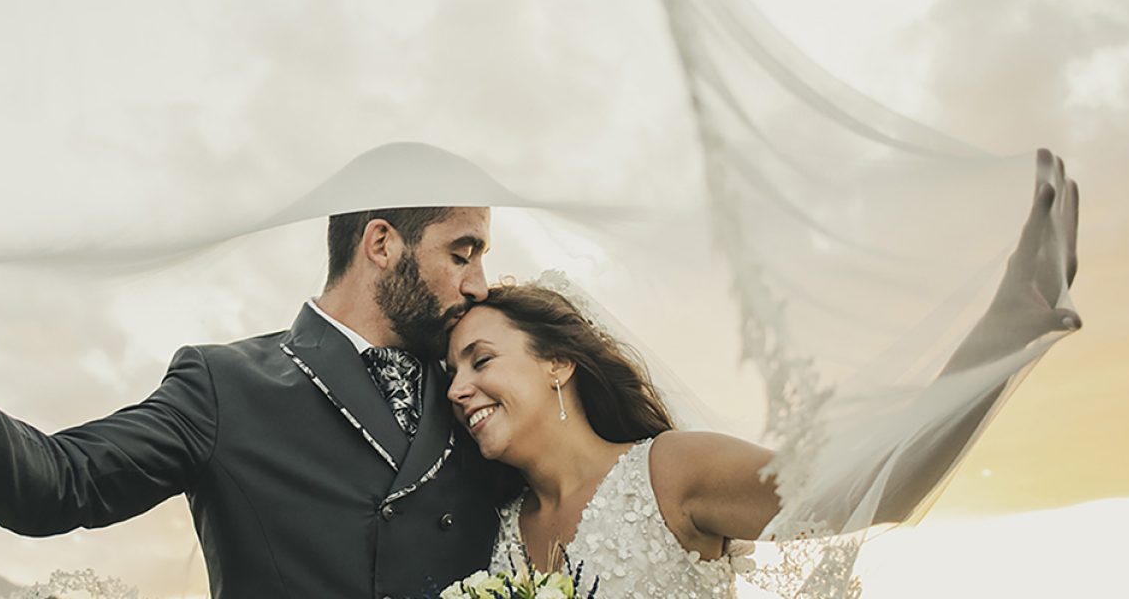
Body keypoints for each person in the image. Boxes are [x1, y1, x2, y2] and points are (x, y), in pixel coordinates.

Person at [0, 206, 518, 598]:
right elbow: (61, 483)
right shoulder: (226, 384)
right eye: (463, 252)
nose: (481, 283)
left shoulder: (480, 389)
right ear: (381, 243)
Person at [443, 173, 1080, 596]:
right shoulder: (492, 532)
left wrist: (1003, 335)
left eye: (480, 360)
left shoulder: (670, 473)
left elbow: (871, 490)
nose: (457, 388)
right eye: (451, 373)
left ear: (557, 363)